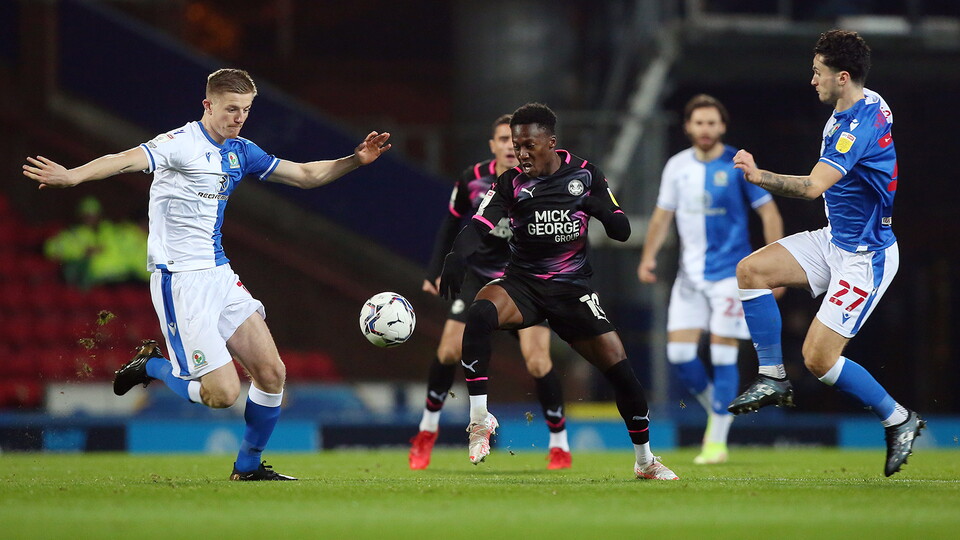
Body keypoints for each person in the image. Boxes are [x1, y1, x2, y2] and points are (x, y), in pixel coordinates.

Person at [23, 68, 391, 481]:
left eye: (246, 110)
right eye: (232, 109)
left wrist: (355, 160)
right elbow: (123, 159)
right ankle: (153, 367)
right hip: (179, 280)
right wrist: (73, 175)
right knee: (222, 395)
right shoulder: (180, 143)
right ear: (208, 104)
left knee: (272, 374)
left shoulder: (242, 151)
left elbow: (305, 176)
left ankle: (248, 467)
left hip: (218, 273)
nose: (239, 118)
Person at [439, 103, 678, 480]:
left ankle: (645, 460)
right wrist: (456, 256)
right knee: (481, 312)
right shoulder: (511, 182)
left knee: (621, 371)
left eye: (529, 145)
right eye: (517, 146)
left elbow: (621, 229)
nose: (521, 153)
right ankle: (480, 420)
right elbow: (479, 224)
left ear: (551, 142)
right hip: (523, 285)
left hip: (571, 289)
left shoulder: (585, 175)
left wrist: (602, 209)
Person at [726, 30, 924, 477]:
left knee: (817, 360)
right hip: (835, 239)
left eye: (818, 72)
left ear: (843, 76)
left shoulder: (856, 127)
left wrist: (758, 176)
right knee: (751, 270)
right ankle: (773, 376)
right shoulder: (861, 102)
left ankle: (900, 418)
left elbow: (812, 187)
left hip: (865, 257)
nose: (811, 79)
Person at [412, 115, 571, 471]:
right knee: (449, 348)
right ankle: (426, 432)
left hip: (525, 280)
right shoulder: (473, 179)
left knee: (538, 360)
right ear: (494, 145)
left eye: (516, 141)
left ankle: (559, 443)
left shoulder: (544, 180)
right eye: (503, 140)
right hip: (476, 278)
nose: (511, 147)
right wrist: (434, 270)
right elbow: (451, 223)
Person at [637, 94, 784, 465]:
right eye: (699, 122)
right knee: (681, 356)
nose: (705, 129)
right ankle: (719, 414)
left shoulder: (737, 164)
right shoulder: (676, 166)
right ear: (688, 127)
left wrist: (778, 265)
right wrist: (648, 257)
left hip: (730, 277)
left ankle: (716, 443)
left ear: (722, 126)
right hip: (689, 278)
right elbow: (661, 216)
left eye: (712, 123)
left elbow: (769, 213)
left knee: (721, 353)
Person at [43, 196, 151, 289]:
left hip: (121, 277)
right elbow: (51, 248)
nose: (91, 218)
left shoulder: (111, 231)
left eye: (94, 214)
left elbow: (131, 252)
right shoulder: (74, 234)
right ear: (80, 215)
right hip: (94, 280)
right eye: (87, 214)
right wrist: (82, 251)